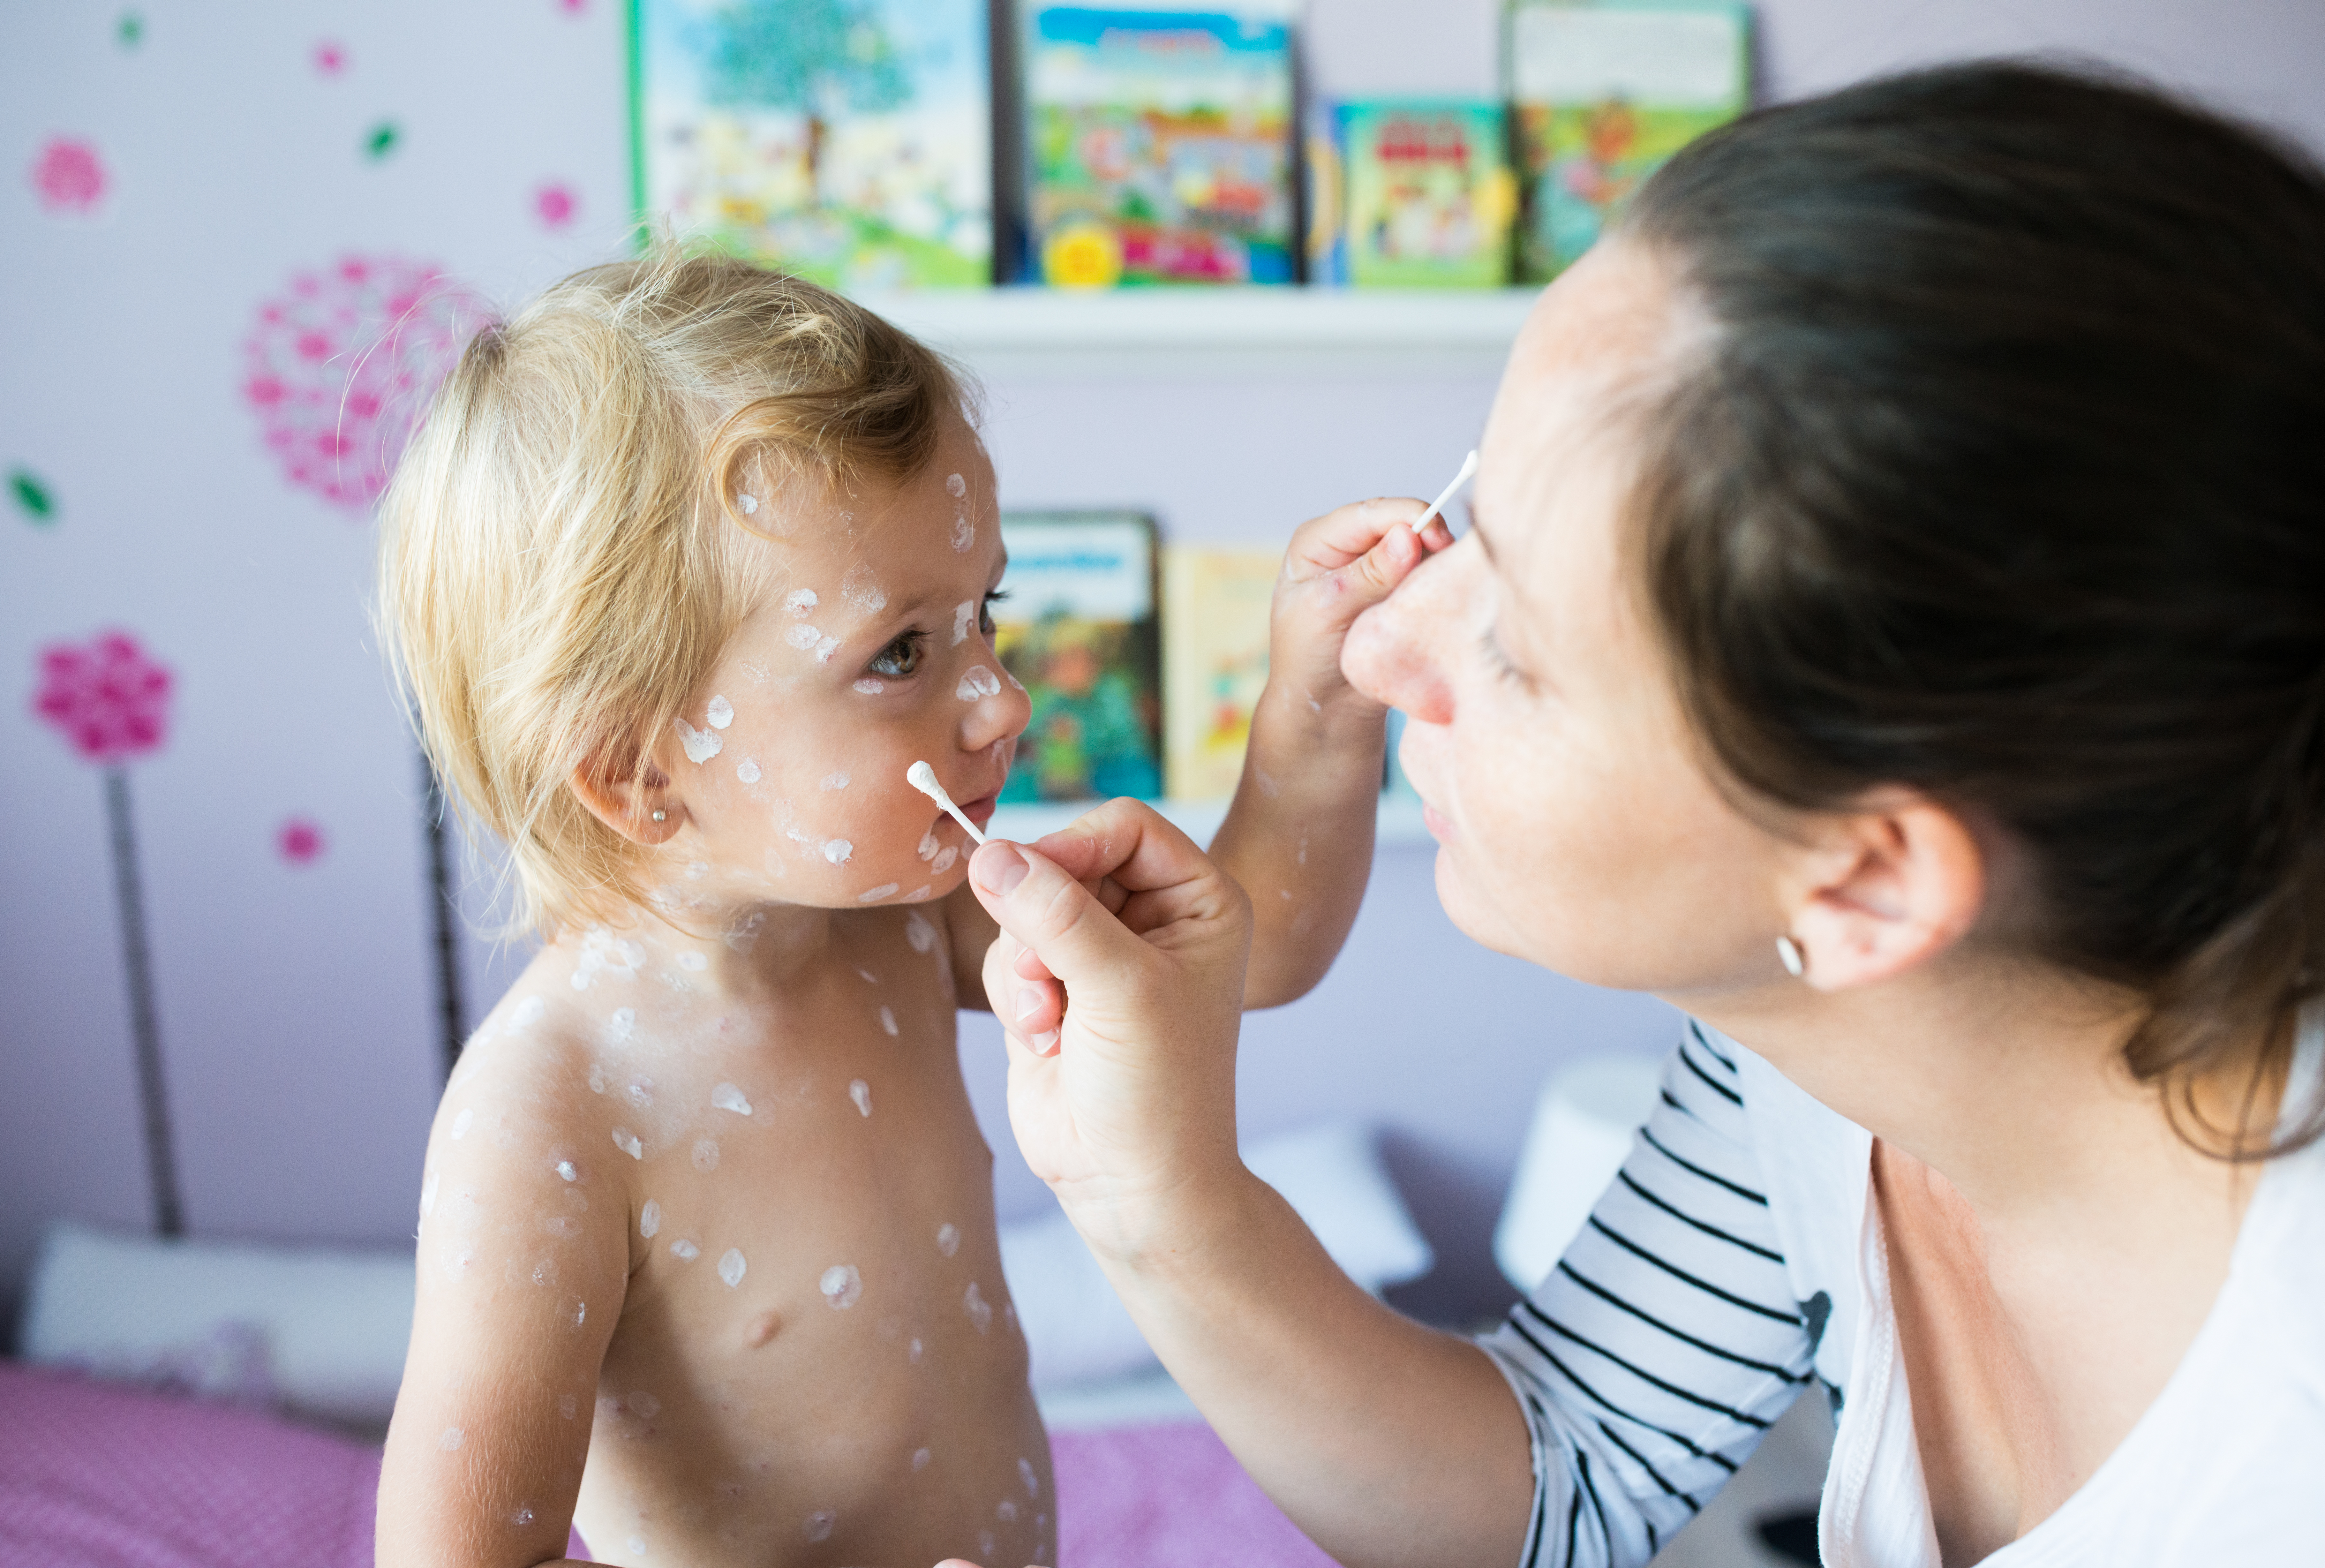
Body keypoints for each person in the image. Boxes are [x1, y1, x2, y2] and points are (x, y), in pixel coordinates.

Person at [953, 64, 2325, 1568]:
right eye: (1462, 518)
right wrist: (1155, 1194)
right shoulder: (1806, 1054)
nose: (1374, 648)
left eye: (1518, 650)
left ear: (1867, 883)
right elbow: (1566, 1471)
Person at [369, 251, 1434, 1567]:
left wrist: (1319, 704)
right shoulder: (551, 1116)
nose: (1001, 702)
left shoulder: (898, 921)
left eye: (984, 614)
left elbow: (1245, 953)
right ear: (639, 774)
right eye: (899, 652)